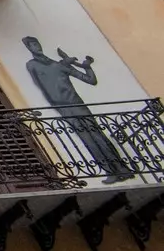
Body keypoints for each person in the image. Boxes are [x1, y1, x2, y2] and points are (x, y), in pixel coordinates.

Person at [24, 36, 131, 180]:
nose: (36, 47)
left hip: (77, 104)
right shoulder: (32, 65)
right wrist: (53, 104)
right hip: (63, 107)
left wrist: (87, 67)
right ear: (28, 48)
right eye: (32, 45)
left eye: (36, 43)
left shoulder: (60, 64)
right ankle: (110, 171)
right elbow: (39, 86)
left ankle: (122, 169)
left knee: (97, 135)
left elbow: (90, 80)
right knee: (87, 139)